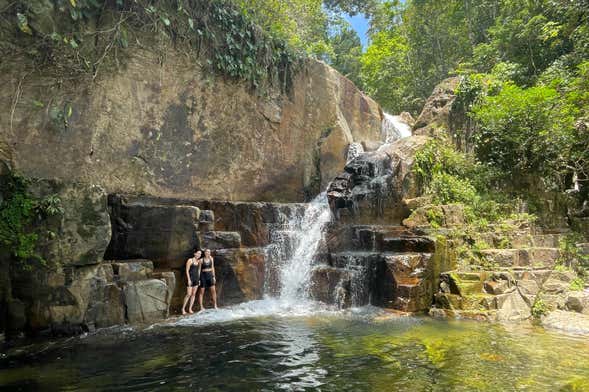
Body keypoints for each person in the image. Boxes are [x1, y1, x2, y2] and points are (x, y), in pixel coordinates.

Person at [181, 249, 202, 315]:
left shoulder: (199, 261)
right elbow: (187, 270)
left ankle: (190, 308)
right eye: (198, 253)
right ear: (194, 254)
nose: (199, 255)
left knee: (193, 294)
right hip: (190, 279)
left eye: (200, 254)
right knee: (188, 294)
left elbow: (199, 270)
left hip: (196, 279)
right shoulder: (190, 260)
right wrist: (189, 279)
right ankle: (183, 309)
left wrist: (199, 279)